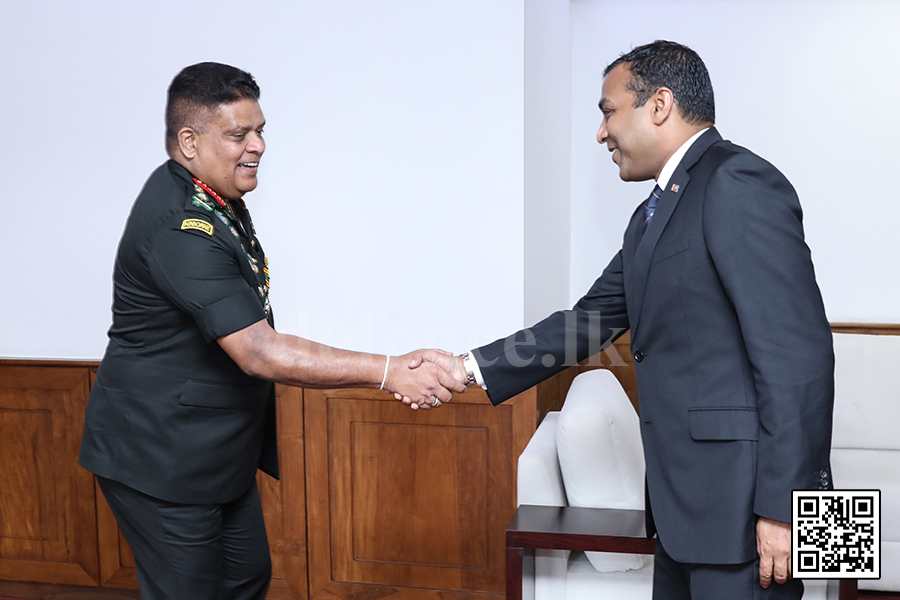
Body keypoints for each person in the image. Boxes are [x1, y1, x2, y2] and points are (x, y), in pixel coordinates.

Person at [410, 41, 834, 599]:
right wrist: (466, 368)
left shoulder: (738, 182)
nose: (601, 132)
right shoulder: (652, 213)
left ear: (659, 105)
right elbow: (587, 322)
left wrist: (786, 514)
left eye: (609, 111)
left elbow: (798, 357)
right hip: (685, 513)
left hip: (748, 515)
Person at [79, 62, 464, 600]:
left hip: (214, 452)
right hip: (159, 457)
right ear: (189, 141)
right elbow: (257, 350)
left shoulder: (213, 197)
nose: (257, 146)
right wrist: (390, 371)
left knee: (246, 579)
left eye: (260, 130)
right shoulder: (179, 223)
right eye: (239, 134)